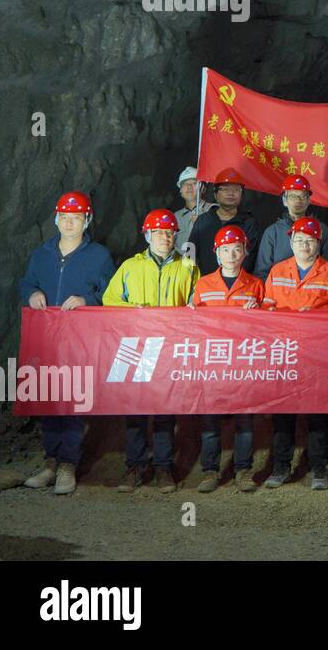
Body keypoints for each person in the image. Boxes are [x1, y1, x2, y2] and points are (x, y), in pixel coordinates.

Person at [20, 192, 115, 496]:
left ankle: (67, 465)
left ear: (87, 220)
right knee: (48, 395)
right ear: (56, 218)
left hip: (80, 339)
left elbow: (110, 292)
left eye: (77, 217)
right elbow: (27, 283)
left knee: (73, 398)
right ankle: (50, 462)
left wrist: (87, 300)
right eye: (65, 217)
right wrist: (32, 294)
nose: (70, 222)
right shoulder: (41, 253)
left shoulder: (98, 255)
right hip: (47, 338)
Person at [103, 208, 201, 493]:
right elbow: (109, 300)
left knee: (165, 410)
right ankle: (134, 466)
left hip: (170, 348)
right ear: (147, 235)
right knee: (135, 409)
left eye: (169, 232)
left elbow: (199, 303)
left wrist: (193, 309)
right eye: (158, 232)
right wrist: (131, 309)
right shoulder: (130, 267)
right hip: (138, 347)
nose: (164, 237)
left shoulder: (188, 266)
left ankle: (163, 468)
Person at [263, 215, 328, 491]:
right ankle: (280, 467)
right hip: (285, 353)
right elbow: (267, 307)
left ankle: (319, 469)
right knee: (283, 413)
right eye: (299, 240)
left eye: (310, 241)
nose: (304, 246)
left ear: (318, 243)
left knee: (317, 414)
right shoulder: (277, 271)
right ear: (291, 242)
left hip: (317, 355)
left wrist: (316, 315)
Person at [189, 225, 264, 493]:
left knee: (245, 420)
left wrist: (260, 310)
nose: (231, 255)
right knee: (210, 420)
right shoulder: (203, 284)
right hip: (213, 362)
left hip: (243, 362)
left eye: (236, 249)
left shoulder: (256, 285)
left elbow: (265, 327)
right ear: (216, 254)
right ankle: (210, 471)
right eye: (225, 250)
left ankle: (243, 470)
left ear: (245, 251)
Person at [253, 173, 328, 282]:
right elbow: (262, 273)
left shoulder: (322, 230)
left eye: (303, 196)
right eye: (293, 196)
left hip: (313, 293)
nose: (298, 201)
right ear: (284, 200)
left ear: (309, 200)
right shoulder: (273, 232)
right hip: (280, 293)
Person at [186, 167, 261, 275]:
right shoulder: (203, 220)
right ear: (215, 194)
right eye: (225, 189)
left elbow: (250, 258)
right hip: (206, 284)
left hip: (238, 284)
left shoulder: (248, 222)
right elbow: (190, 253)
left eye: (236, 189)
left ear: (241, 194)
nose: (231, 193)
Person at [173, 166, 216, 253]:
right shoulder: (175, 217)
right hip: (182, 265)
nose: (189, 187)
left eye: (194, 183)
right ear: (180, 191)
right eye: (185, 184)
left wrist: (204, 225)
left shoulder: (214, 210)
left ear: (203, 188)